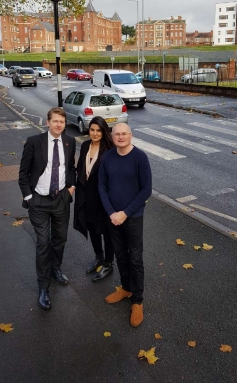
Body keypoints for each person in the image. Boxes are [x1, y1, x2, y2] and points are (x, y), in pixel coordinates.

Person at [19, 107, 76, 310]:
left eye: (62, 121)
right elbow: (23, 173)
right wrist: (29, 197)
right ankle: (43, 287)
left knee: (60, 238)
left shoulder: (70, 142)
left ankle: (56, 268)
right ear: (47, 122)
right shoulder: (35, 142)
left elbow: (70, 168)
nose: (59, 124)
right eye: (55, 121)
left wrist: (71, 188)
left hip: (61, 199)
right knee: (43, 242)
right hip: (39, 201)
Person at [99, 123, 152, 327]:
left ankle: (137, 300)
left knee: (135, 258)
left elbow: (146, 190)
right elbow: (102, 187)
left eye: (124, 134)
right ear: (112, 137)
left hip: (133, 217)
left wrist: (125, 213)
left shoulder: (140, 158)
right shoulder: (108, 158)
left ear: (130, 135)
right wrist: (112, 213)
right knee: (120, 255)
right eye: (117, 134)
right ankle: (126, 288)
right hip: (113, 217)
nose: (120, 137)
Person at [74, 116, 115, 282]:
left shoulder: (109, 150)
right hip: (87, 197)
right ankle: (99, 256)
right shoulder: (84, 145)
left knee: (107, 232)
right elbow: (81, 170)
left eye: (99, 130)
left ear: (104, 131)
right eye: (92, 130)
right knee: (92, 228)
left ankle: (108, 263)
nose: (95, 133)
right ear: (88, 130)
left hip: (104, 199)